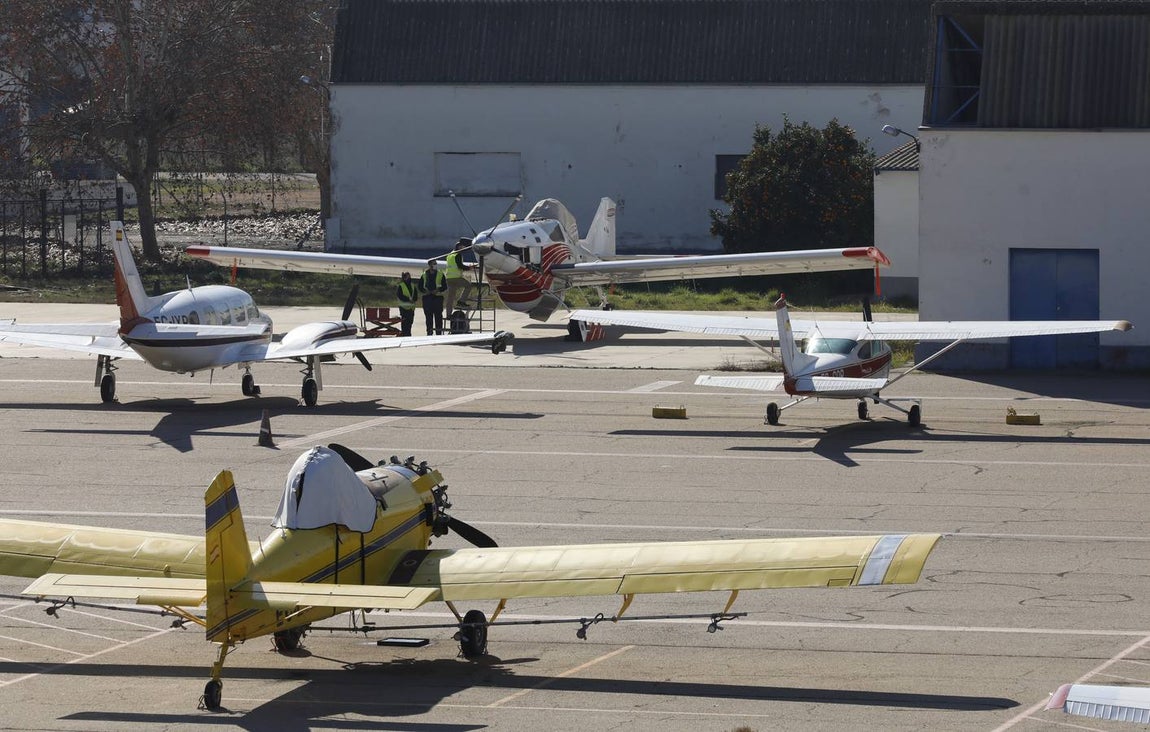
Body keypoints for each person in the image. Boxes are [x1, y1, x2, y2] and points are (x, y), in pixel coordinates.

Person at [444, 237, 475, 320]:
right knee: (468, 285)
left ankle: (448, 315)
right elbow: (460, 266)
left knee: (450, 298)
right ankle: (461, 301)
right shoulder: (458, 255)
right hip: (456, 277)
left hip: (449, 278)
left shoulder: (450, 255)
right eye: (462, 247)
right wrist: (470, 268)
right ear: (459, 247)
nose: (463, 248)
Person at [419, 259, 446, 335]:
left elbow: (445, 286)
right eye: (434, 264)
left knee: (438, 317)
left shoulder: (440, 274)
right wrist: (425, 291)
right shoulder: (424, 275)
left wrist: (438, 290)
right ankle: (429, 332)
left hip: (437, 298)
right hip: (427, 298)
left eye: (435, 264)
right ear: (429, 265)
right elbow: (420, 287)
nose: (435, 265)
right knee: (428, 317)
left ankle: (438, 333)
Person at [395, 271, 417, 336]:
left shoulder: (413, 285)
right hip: (403, 308)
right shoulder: (401, 286)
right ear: (404, 278)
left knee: (410, 322)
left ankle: (408, 334)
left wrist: (413, 300)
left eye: (410, 277)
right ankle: (404, 334)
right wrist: (408, 300)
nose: (409, 278)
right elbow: (400, 296)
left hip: (411, 308)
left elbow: (415, 295)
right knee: (405, 322)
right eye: (408, 277)